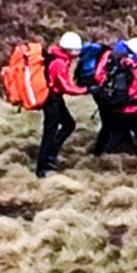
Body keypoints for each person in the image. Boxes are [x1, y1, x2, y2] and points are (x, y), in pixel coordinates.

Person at [36, 31, 89, 177]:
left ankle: (51, 155)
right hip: (52, 100)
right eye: (77, 49)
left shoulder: (60, 58)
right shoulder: (59, 63)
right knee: (50, 132)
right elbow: (66, 87)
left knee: (68, 125)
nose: (79, 52)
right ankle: (42, 167)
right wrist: (86, 90)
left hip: (55, 98)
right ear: (69, 49)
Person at [90, 37, 137, 156]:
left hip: (104, 95)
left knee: (111, 126)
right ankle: (102, 153)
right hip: (111, 97)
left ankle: (101, 151)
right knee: (113, 127)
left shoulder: (110, 54)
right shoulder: (122, 60)